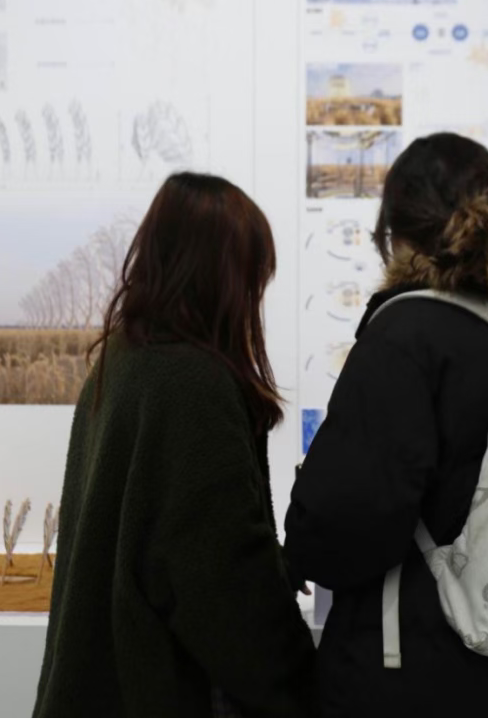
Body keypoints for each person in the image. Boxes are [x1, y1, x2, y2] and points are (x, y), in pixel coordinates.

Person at [284, 133, 488, 718]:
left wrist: (300, 540)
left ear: (396, 231)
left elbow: (344, 526)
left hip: (419, 680)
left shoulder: (406, 335)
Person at [34, 173, 317, 718]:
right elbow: (220, 582)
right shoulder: (191, 385)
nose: (254, 297)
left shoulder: (122, 361)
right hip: (165, 690)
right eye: (251, 277)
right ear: (222, 277)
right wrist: (302, 684)